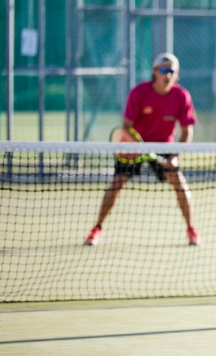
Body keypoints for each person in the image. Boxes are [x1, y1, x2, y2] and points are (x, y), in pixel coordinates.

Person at [84, 52, 202, 246]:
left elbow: (187, 131)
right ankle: (97, 229)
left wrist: (175, 156)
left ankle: (191, 230)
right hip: (135, 144)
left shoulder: (182, 96)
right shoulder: (139, 92)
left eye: (172, 71)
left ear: (176, 75)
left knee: (179, 183)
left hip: (163, 146)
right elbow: (126, 126)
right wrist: (135, 147)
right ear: (154, 72)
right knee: (117, 182)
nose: (167, 74)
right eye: (163, 70)